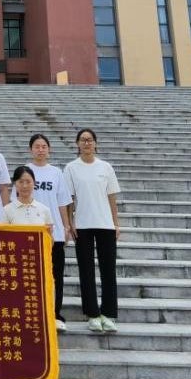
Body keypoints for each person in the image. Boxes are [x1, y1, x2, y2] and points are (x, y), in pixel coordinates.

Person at [64, 128, 121, 334]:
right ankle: (92, 314)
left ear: (95, 143)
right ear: (77, 144)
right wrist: (70, 223)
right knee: (86, 270)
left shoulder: (105, 167)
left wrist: (116, 223)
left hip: (105, 224)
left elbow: (111, 197)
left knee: (108, 270)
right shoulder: (71, 168)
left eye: (90, 140)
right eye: (83, 140)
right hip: (83, 225)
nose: (86, 143)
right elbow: (69, 199)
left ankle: (108, 314)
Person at [27, 133, 76, 332]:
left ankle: (55, 314)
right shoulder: (26, 171)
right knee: (32, 276)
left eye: (43, 146)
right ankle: (35, 313)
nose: (40, 150)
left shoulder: (56, 173)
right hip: (30, 233)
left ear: (49, 150)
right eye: (37, 146)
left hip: (53, 233)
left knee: (56, 275)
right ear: (31, 149)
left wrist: (66, 226)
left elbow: (62, 202)